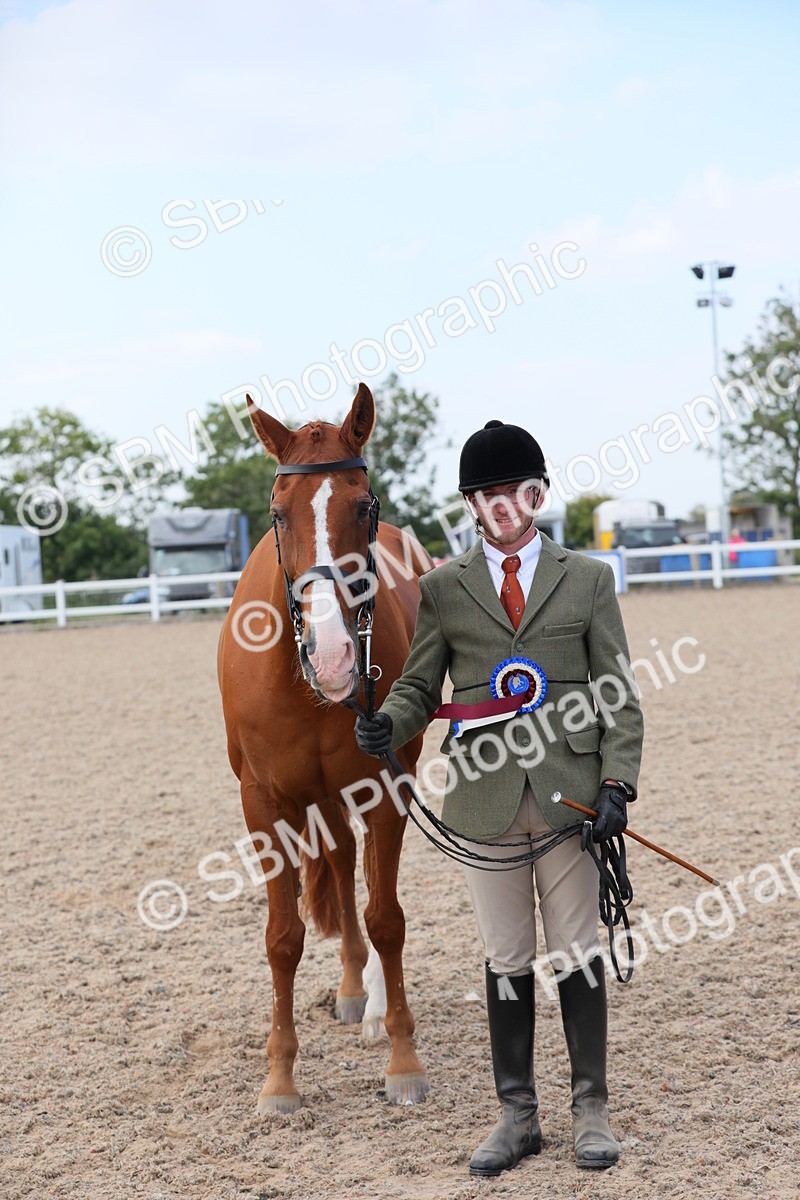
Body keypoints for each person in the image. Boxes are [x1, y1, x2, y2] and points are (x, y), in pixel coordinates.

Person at [355, 419, 644, 1177]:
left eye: (512, 493)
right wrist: (392, 723)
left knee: (579, 951)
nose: (500, 506)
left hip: (571, 800)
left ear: (537, 496)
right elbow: (421, 683)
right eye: (484, 496)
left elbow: (617, 690)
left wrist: (618, 781)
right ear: (473, 506)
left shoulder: (586, 579)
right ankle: (517, 1115)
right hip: (483, 799)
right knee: (507, 957)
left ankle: (591, 1109)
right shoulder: (444, 589)